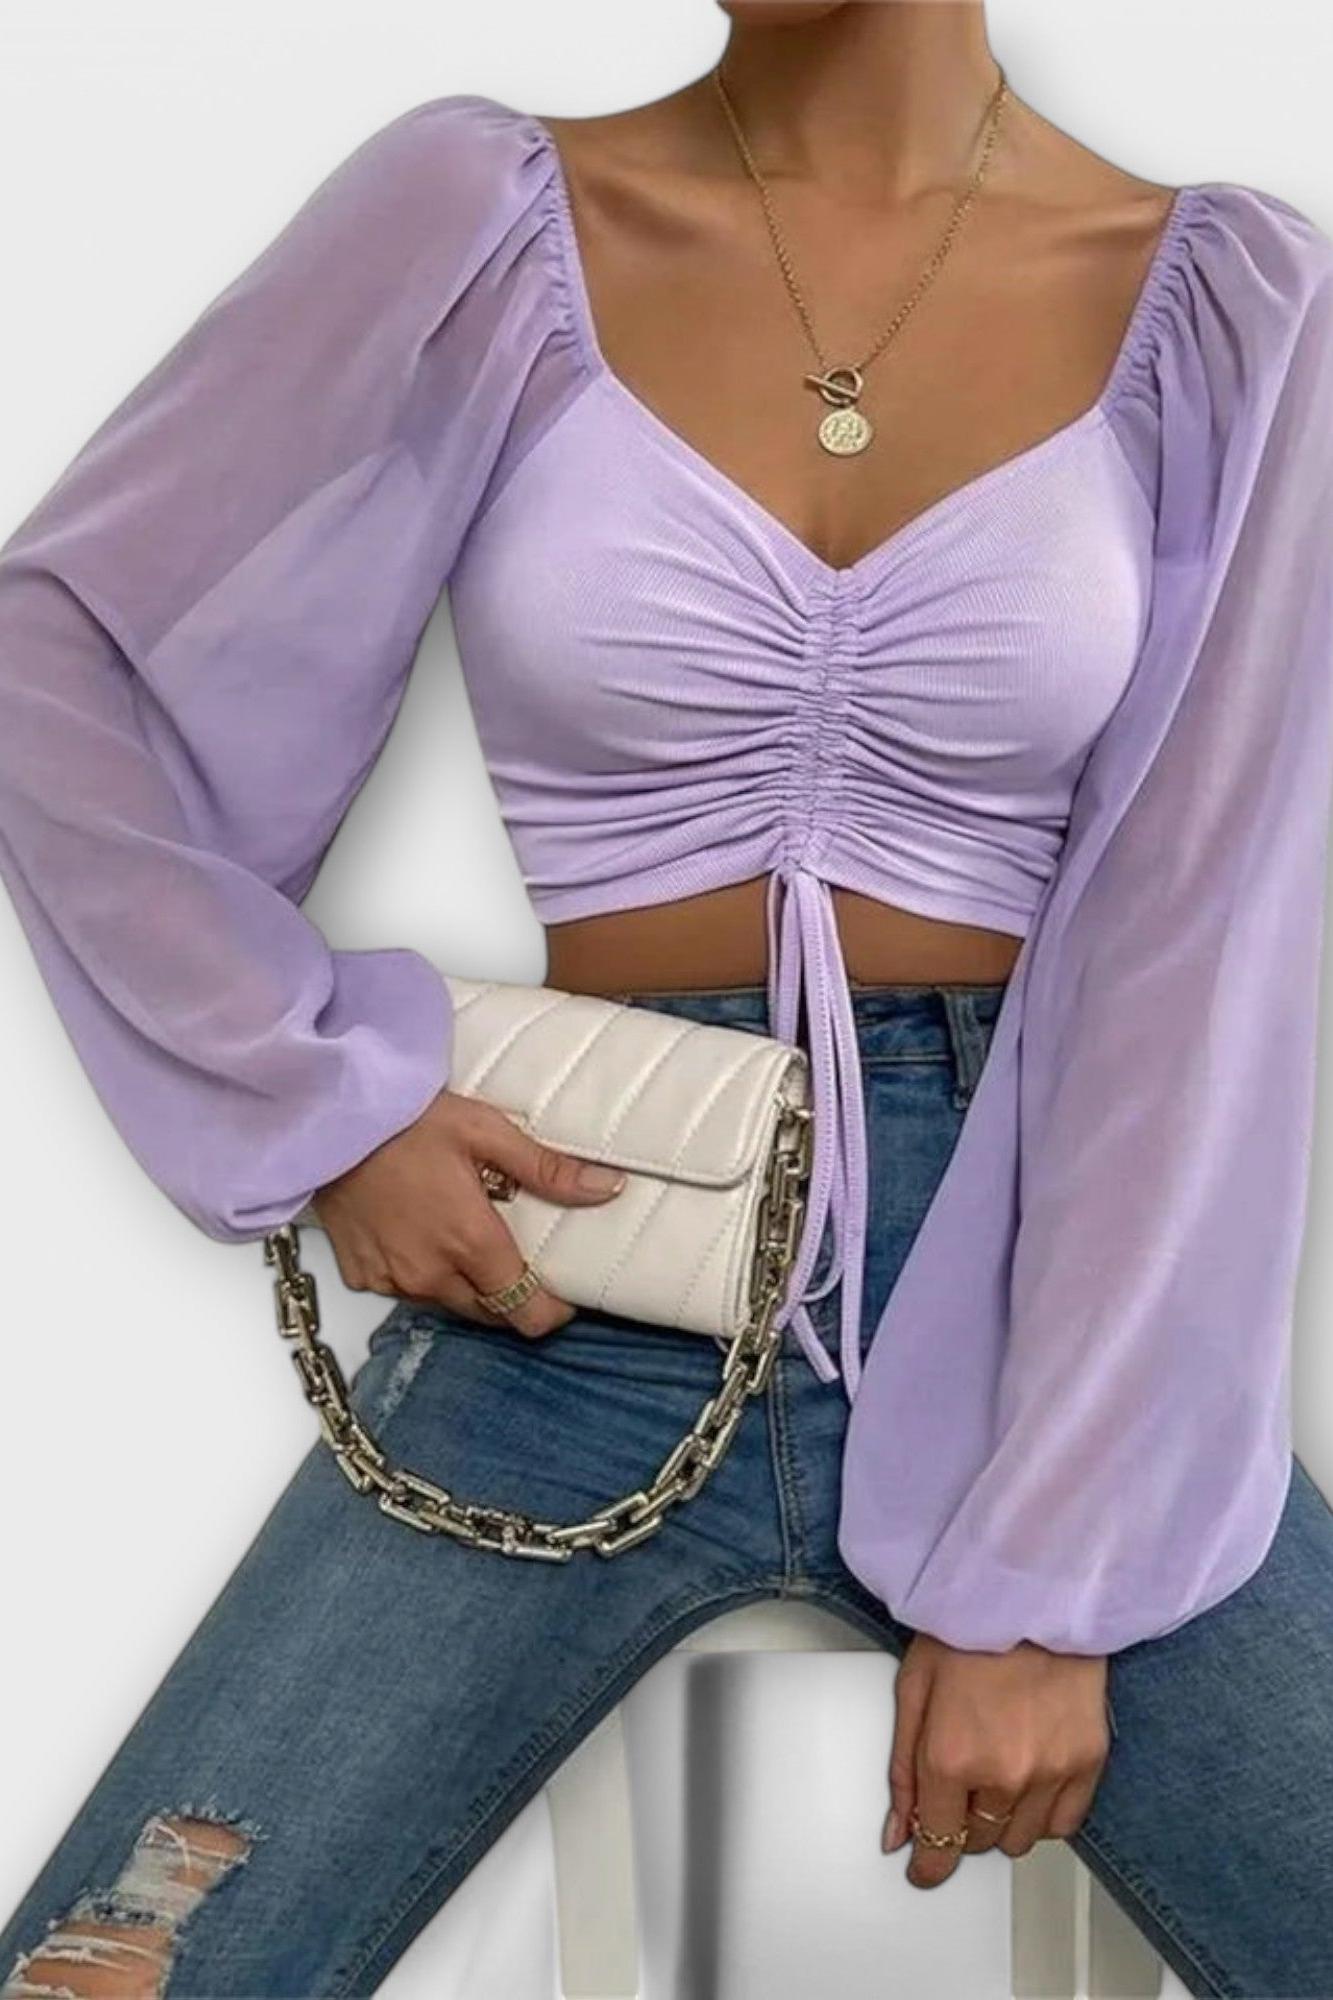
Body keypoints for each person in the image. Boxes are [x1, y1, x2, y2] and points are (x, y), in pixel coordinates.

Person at [3, 3, 1333, 1994]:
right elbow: (59, 650)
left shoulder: (1232, 305)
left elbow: (1200, 951)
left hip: (1039, 1294)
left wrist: (1051, 1575)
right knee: (108, 1978)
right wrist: (321, 1102)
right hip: (578, 1273)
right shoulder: (483, 214)